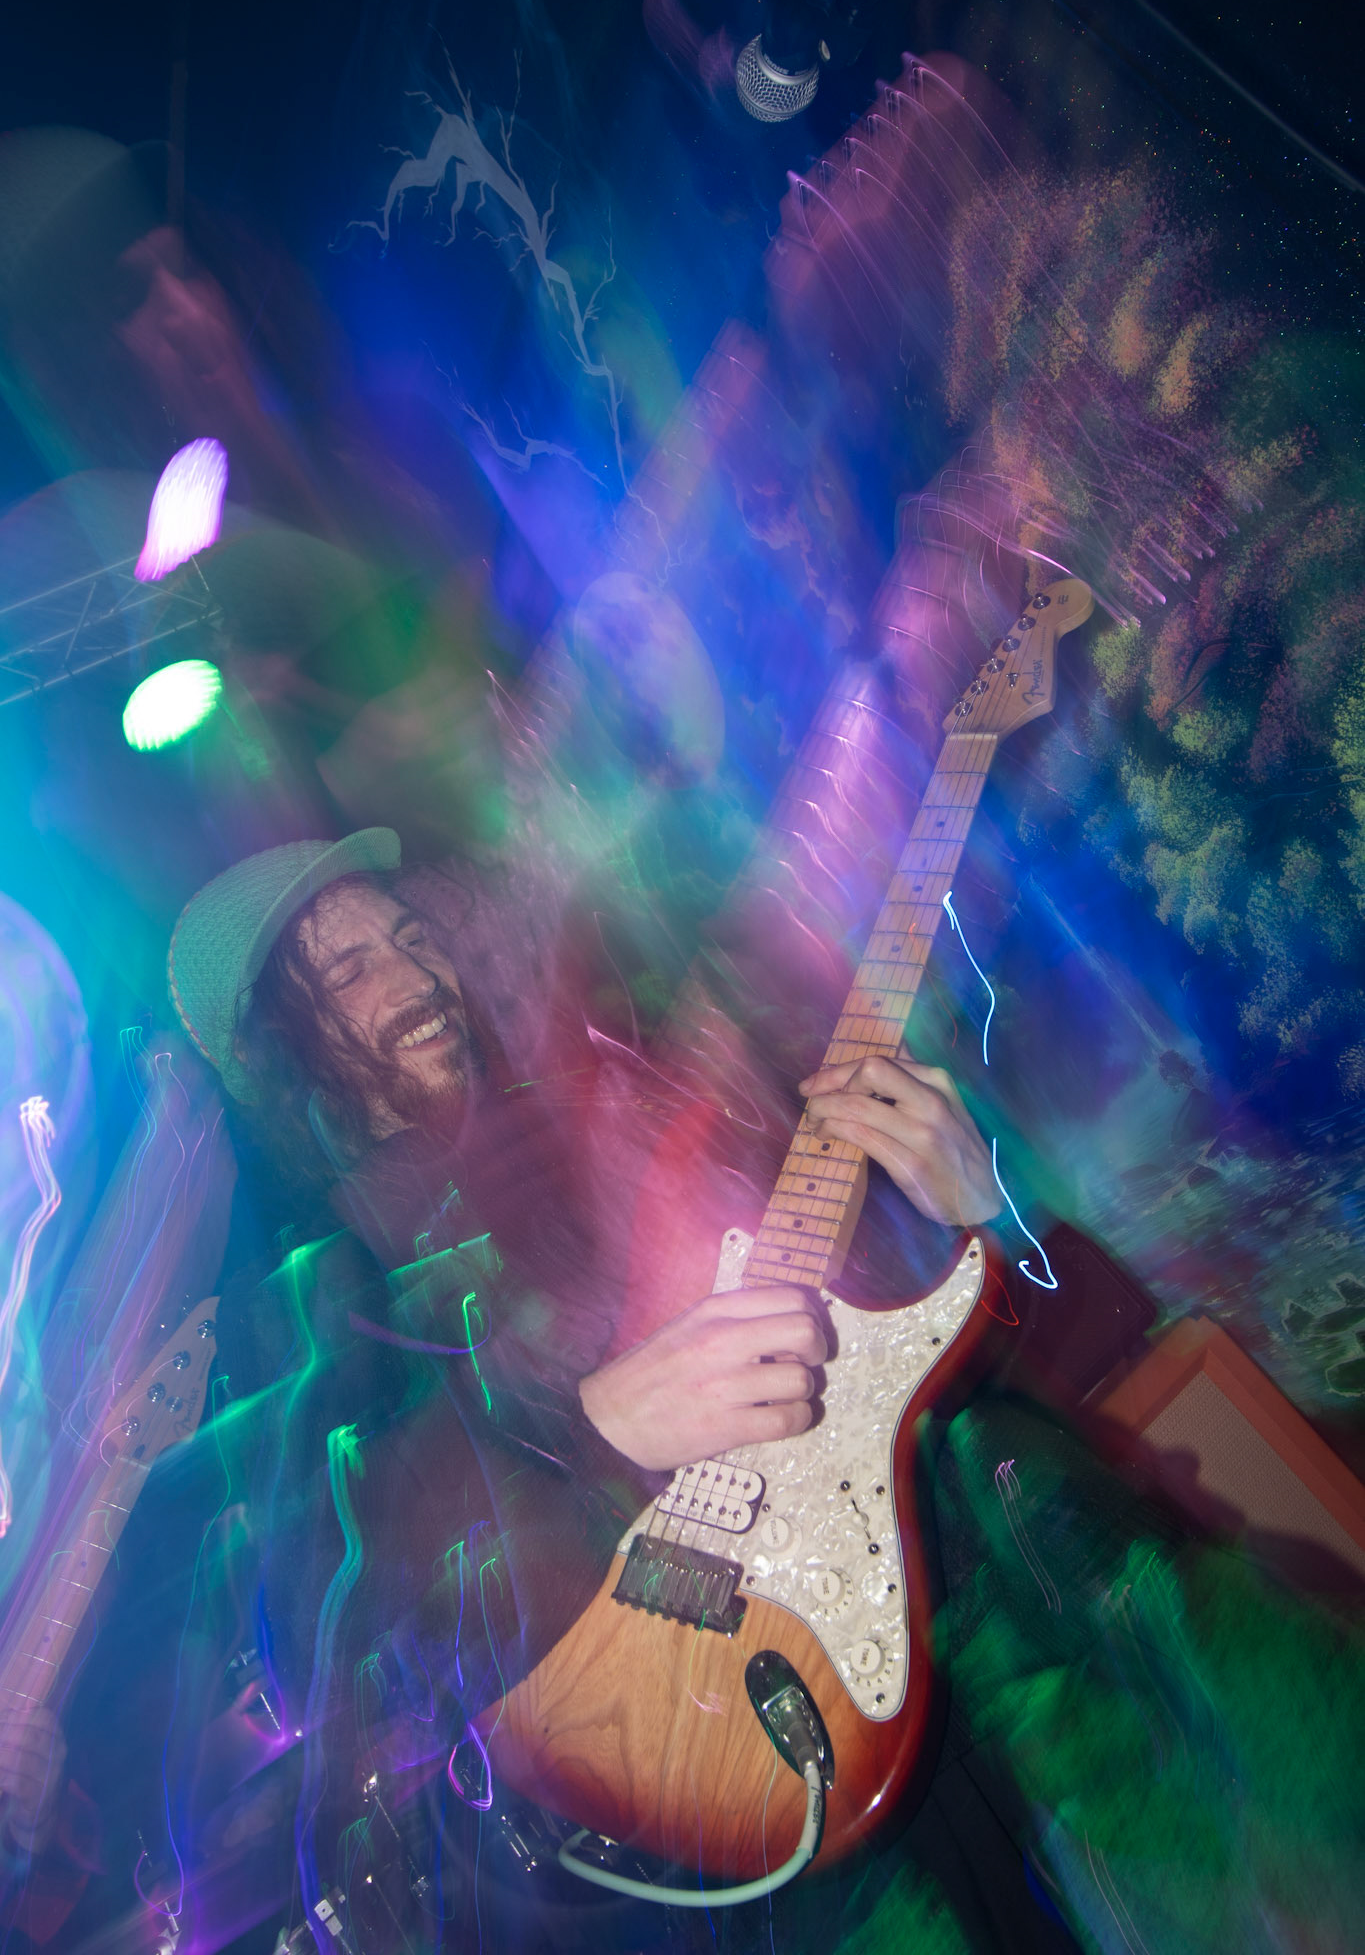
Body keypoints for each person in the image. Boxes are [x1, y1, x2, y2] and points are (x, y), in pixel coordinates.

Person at [162, 825, 1008, 1948]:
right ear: (279, 1058)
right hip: (708, 1823)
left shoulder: (601, 1114)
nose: (417, 978)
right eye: (351, 970)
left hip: (945, 1641)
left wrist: (976, 1214)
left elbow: (899, 1358)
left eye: (414, 938)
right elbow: (367, 1630)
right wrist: (596, 1424)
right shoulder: (320, 1306)